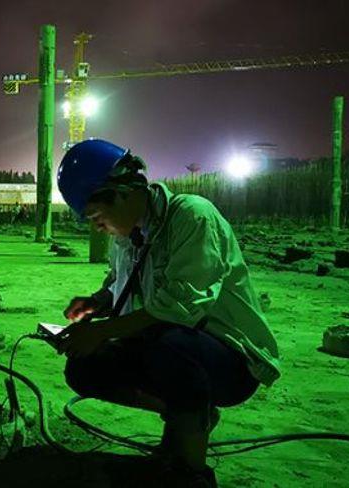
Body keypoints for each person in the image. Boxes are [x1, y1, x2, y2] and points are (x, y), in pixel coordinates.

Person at [55, 139, 280, 488]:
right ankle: (186, 420)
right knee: (85, 366)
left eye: (97, 217)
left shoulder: (192, 216)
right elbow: (121, 285)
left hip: (229, 360)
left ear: (122, 192)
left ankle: (192, 471)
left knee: (169, 343)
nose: (97, 228)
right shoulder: (128, 237)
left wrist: (101, 330)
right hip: (171, 348)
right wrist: (98, 302)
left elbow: (179, 308)